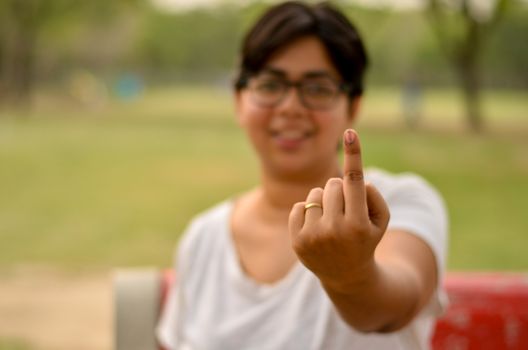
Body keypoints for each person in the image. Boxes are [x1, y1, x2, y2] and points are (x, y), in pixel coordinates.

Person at [157, 1, 448, 349]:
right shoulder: (203, 239)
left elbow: (389, 309)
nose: (291, 107)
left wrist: (351, 275)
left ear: (353, 106)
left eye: (318, 88)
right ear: (239, 100)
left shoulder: (394, 204)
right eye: (270, 85)